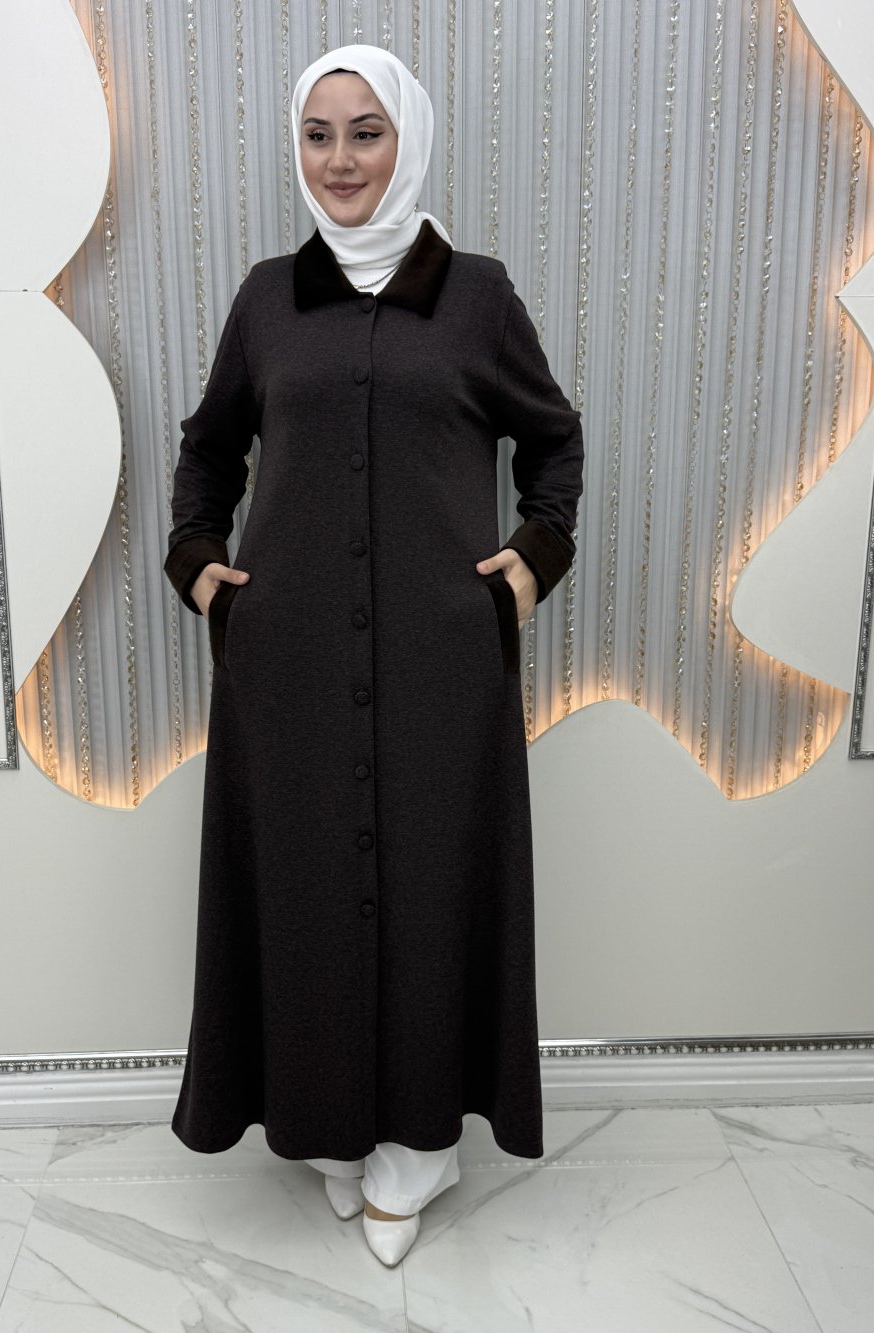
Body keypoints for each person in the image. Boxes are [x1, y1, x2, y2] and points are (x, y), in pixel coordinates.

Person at [163, 44, 584, 1268]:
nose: (340, 160)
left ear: (409, 140)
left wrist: (531, 560)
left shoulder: (478, 296)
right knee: (305, 893)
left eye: (365, 132)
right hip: (284, 662)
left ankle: (420, 1143)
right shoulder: (266, 300)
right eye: (318, 134)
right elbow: (208, 450)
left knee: (429, 891)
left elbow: (553, 442)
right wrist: (198, 561)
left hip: (442, 664)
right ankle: (329, 1127)